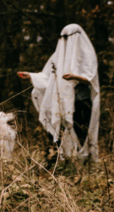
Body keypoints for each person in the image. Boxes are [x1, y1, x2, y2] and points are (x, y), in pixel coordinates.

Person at [18, 24, 100, 161]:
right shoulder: (59, 54)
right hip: (63, 103)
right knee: (65, 132)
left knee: (82, 133)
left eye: (68, 37)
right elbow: (48, 76)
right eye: (63, 38)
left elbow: (92, 79)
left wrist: (75, 77)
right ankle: (67, 162)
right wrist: (31, 75)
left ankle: (85, 164)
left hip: (82, 101)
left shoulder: (86, 53)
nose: (65, 41)